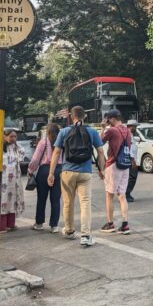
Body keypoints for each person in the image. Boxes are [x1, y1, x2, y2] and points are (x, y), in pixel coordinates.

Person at [48, 106, 105, 247]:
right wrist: (101, 169)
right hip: (85, 172)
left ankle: (69, 231)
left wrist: (51, 173)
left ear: (71, 117)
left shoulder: (64, 131)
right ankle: (85, 235)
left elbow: (56, 153)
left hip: (67, 172)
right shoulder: (92, 131)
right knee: (85, 203)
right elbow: (101, 152)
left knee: (68, 203)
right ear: (84, 116)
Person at [100, 110, 132, 234]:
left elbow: (99, 142)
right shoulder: (127, 130)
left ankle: (110, 224)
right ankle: (125, 225)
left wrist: (103, 128)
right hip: (125, 165)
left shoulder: (112, 130)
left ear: (112, 119)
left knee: (109, 195)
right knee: (122, 195)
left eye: (108, 119)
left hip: (113, 165)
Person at [28, 124, 63, 233]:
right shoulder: (62, 142)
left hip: (44, 171)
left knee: (41, 199)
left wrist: (30, 171)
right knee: (56, 200)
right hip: (58, 171)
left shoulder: (43, 142)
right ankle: (54, 226)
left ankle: (39, 224)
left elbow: (35, 159)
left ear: (47, 132)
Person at [0, 129, 25, 232]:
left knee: (13, 200)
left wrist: (16, 144)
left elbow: (22, 155)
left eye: (15, 136)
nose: (14, 138)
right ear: (5, 136)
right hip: (2, 180)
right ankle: (1, 226)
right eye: (11, 136)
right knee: (2, 201)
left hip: (14, 180)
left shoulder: (15, 147)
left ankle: (11, 224)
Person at [125, 119, 139, 202]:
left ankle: (127, 193)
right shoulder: (128, 135)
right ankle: (126, 194)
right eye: (135, 126)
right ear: (131, 126)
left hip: (131, 159)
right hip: (130, 160)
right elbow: (128, 148)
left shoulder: (130, 134)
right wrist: (132, 159)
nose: (136, 128)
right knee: (132, 177)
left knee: (130, 177)